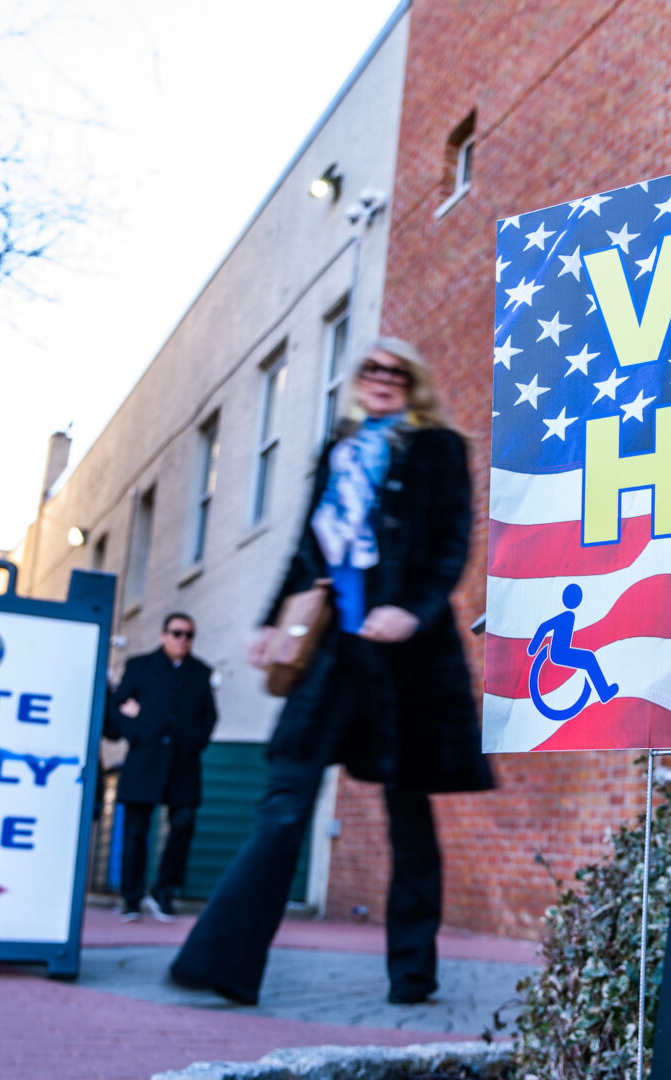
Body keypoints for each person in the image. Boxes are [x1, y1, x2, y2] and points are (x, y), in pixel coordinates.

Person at [169, 337, 494, 1006]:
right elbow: (305, 550)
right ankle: (222, 962)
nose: (380, 379)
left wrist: (413, 610)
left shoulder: (438, 447)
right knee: (285, 793)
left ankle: (412, 973)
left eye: (395, 372)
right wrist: (268, 622)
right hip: (333, 654)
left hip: (406, 658)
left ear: (415, 383)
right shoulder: (339, 451)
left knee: (407, 809)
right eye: (369, 369)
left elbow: (452, 544)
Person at [108, 612, 219, 922]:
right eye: (176, 633)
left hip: (183, 764)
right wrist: (138, 734)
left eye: (188, 635)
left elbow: (209, 717)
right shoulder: (139, 666)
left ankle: (163, 891)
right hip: (144, 761)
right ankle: (131, 898)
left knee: (183, 823)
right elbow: (116, 706)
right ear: (163, 635)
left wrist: (195, 742)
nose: (182, 639)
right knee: (135, 831)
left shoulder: (200, 672)